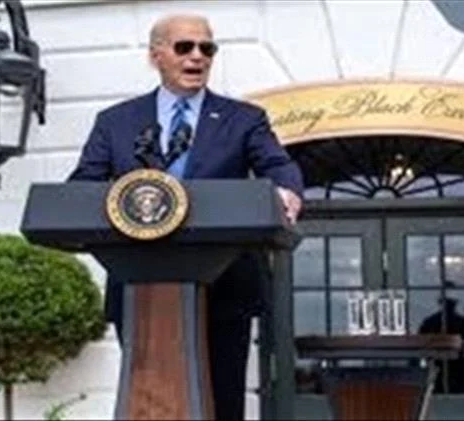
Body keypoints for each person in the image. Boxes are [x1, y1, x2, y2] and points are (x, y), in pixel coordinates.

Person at [66, 14, 304, 420]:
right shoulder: (116, 122)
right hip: (138, 284)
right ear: (155, 55)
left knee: (222, 399)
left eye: (207, 48)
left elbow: (277, 166)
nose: (198, 56)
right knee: (148, 394)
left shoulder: (244, 119)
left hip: (223, 284)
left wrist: (287, 191)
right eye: (184, 47)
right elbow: (84, 184)